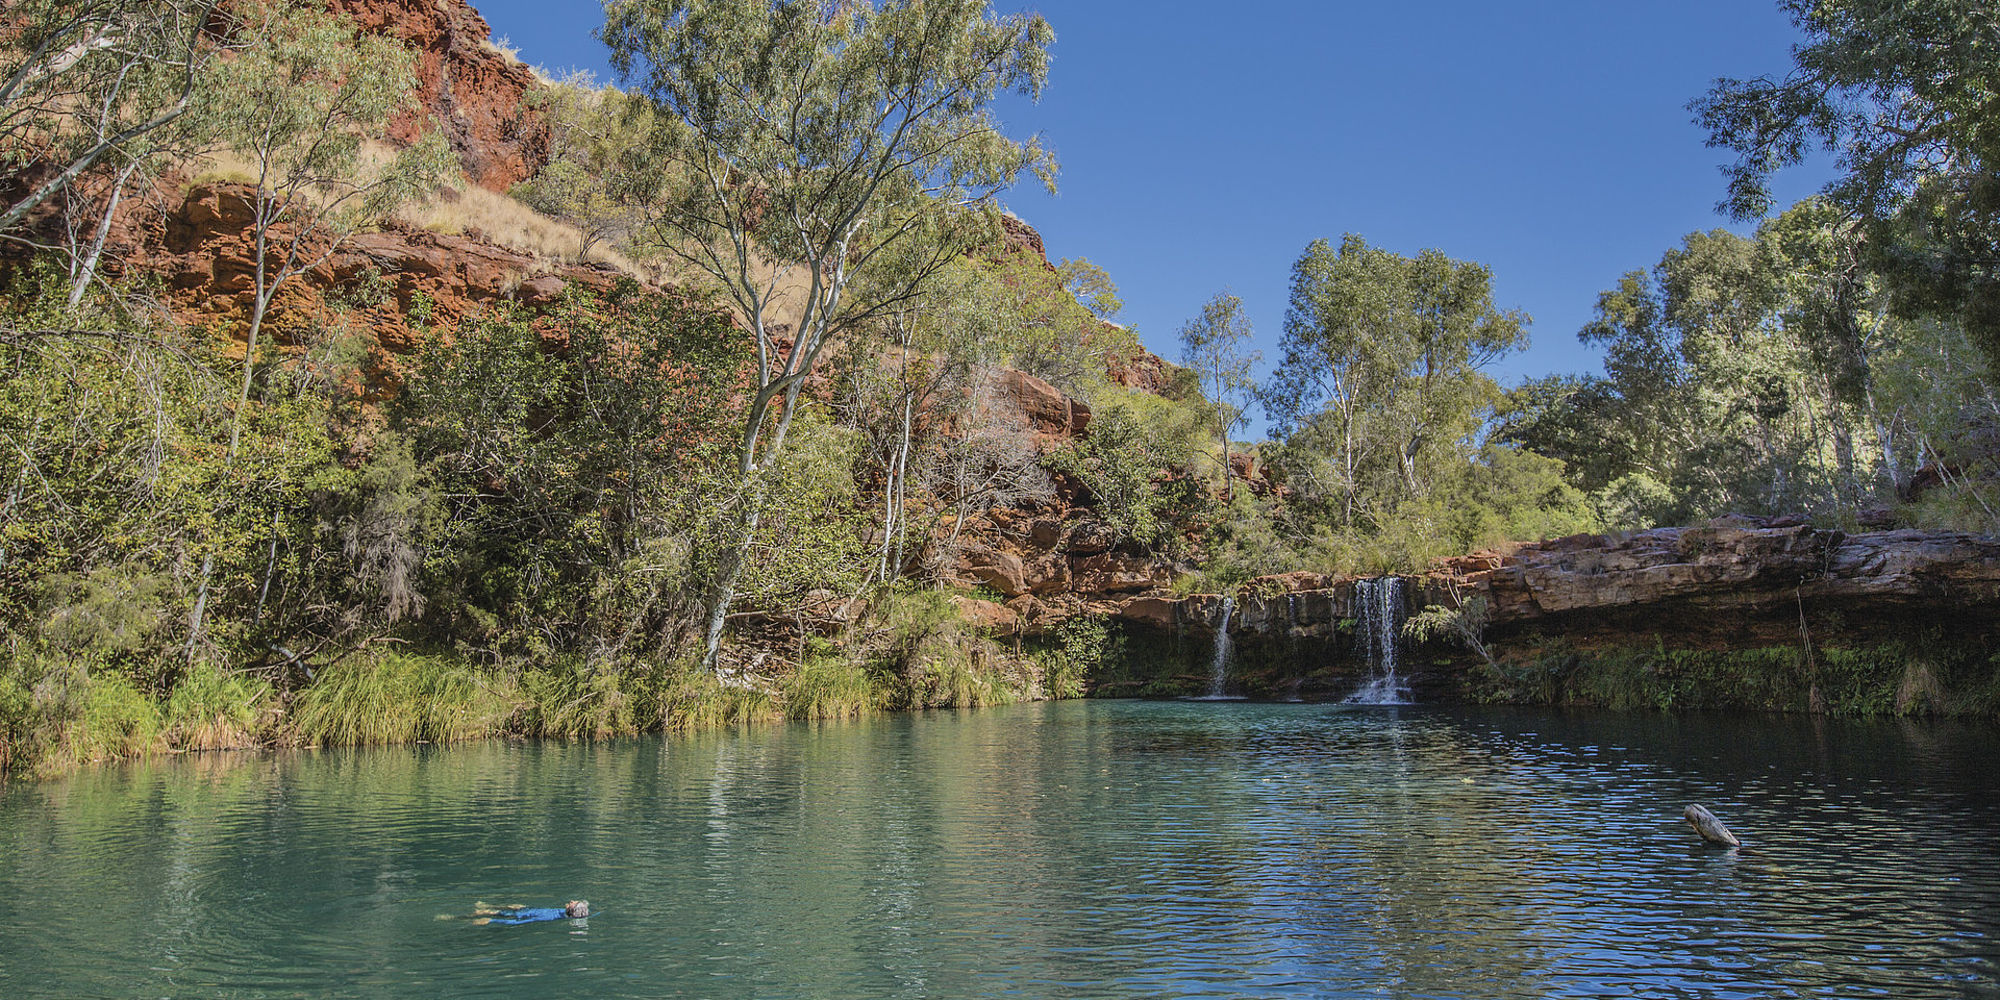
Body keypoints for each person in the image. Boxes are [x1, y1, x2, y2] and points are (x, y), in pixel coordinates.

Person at [464, 900, 590, 925]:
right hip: (528, 909)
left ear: (572, 909)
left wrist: (491, 921)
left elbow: (521, 921)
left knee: (493, 913)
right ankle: (488, 905)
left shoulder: (548, 917)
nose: (572, 900)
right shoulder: (563, 912)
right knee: (515, 905)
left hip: (523, 915)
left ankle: (463, 917)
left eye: (574, 902)